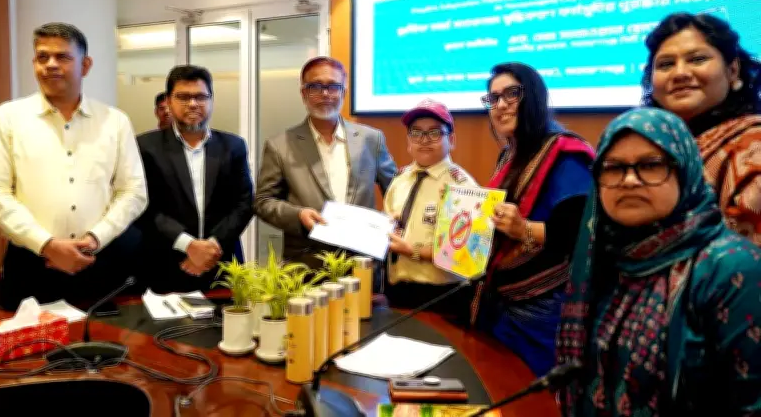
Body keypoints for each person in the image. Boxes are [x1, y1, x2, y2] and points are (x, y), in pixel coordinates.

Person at [557, 107, 761, 416]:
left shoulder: (732, 269)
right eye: (613, 168)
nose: (629, 181)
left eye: (651, 165)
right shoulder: (602, 259)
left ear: (686, 172)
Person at [0, 22, 147, 310]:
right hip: (31, 262)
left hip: (98, 260)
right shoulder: (8, 118)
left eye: (63, 57)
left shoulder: (114, 122)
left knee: (103, 336)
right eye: (42, 57)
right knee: (30, 338)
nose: (51, 65)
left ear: (86, 65)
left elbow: (134, 191)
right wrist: (46, 244)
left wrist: (95, 238)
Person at [469, 62, 594, 377]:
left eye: (511, 94)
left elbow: (580, 235)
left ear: (534, 96)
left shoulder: (567, 153)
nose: (500, 105)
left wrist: (522, 229)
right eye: (493, 98)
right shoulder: (510, 153)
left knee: (529, 394)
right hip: (502, 301)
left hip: (542, 307)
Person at [254, 56, 398, 270]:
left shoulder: (370, 139)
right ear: (303, 93)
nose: (325, 94)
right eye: (315, 87)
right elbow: (263, 202)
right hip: (307, 265)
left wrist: (394, 217)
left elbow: (396, 190)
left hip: (362, 262)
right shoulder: (279, 145)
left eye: (333, 86)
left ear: (343, 92)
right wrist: (298, 215)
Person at [642, 12, 761, 245]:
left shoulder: (753, 148)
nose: (680, 73)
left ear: (732, 71)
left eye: (697, 59)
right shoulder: (650, 145)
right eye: (666, 64)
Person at [137, 65, 253, 293]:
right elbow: (143, 206)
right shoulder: (145, 147)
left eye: (201, 97)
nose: (193, 104)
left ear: (211, 100)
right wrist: (188, 245)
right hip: (167, 264)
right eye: (183, 97)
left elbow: (244, 202)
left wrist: (212, 246)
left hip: (222, 264)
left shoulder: (232, 146)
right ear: (168, 102)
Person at [384, 99, 476, 313]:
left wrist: (413, 250)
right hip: (397, 290)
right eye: (416, 133)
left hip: (442, 295)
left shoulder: (462, 186)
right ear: (409, 140)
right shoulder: (400, 179)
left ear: (451, 140)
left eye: (434, 133)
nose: (424, 140)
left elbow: (465, 253)